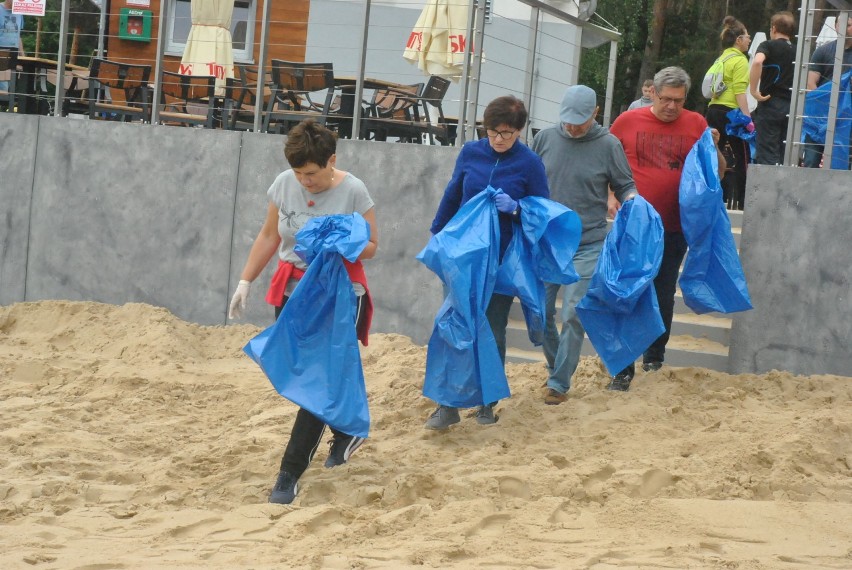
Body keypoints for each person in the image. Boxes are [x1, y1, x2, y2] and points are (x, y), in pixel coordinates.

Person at [227, 119, 378, 505]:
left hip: (339, 294)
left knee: (317, 384)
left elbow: (373, 245)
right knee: (300, 377)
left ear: (331, 161)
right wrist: (245, 281)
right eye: (298, 173)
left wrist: (346, 241)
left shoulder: (354, 191)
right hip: (292, 292)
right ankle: (347, 431)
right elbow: (270, 235)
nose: (304, 182)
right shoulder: (283, 184)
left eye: (310, 174)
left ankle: (289, 473)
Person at [425, 95, 550, 428]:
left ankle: (486, 401)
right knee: (453, 325)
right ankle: (447, 403)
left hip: (501, 261)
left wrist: (517, 208)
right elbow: (453, 193)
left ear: (519, 132)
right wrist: (437, 233)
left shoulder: (530, 163)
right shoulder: (470, 152)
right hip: (462, 257)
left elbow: (542, 211)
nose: (498, 139)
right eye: (492, 131)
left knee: (492, 329)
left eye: (506, 133)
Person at [609, 66, 726, 392]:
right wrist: (609, 196)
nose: (672, 106)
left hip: (675, 225)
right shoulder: (627, 122)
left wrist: (713, 146)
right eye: (665, 99)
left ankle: (654, 356)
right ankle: (623, 367)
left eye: (678, 100)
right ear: (652, 94)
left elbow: (718, 171)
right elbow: (606, 160)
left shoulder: (696, 123)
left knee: (662, 293)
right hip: (634, 225)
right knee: (628, 292)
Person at [531, 85, 636, 404]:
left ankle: (559, 384)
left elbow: (625, 185)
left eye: (580, 120)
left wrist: (632, 204)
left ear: (595, 113)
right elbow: (528, 180)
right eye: (568, 119)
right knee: (540, 312)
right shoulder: (545, 139)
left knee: (573, 313)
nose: (572, 126)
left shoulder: (608, 145)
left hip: (588, 241)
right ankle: (555, 365)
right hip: (548, 243)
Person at [705, 16, 752, 210]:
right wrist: (748, 118)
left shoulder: (721, 58)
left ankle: (711, 198)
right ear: (738, 39)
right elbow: (740, 92)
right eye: (747, 37)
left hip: (713, 110)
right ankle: (743, 203)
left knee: (712, 154)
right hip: (731, 113)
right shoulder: (740, 60)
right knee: (743, 157)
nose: (749, 40)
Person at [802, 13, 852, 168]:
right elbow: (810, 82)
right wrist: (823, 107)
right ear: (835, 26)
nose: (845, 28)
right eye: (842, 24)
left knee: (845, 163)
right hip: (820, 118)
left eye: (849, 25)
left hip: (847, 118)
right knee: (811, 160)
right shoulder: (823, 51)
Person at [749, 11, 796, 165]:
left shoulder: (768, 45)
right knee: (786, 153)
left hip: (770, 103)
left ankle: (767, 188)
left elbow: (757, 62)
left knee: (767, 152)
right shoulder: (799, 50)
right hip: (793, 106)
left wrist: (753, 90)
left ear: (774, 28)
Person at [0, 0, 25, 95]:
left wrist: (23, 57)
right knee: (3, 85)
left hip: (13, 50)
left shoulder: (19, 12)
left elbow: (18, 35)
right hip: (1, 49)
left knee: (10, 83)